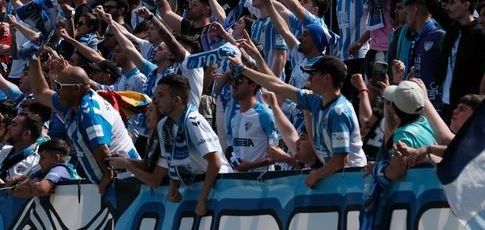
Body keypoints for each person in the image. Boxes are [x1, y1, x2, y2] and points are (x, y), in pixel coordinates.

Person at [237, 55, 367, 188]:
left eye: (313, 74)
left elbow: (340, 160)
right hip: (336, 176)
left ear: (327, 78)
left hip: (353, 181)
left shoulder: (339, 112)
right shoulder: (315, 101)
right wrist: (242, 69)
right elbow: (277, 85)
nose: (309, 79)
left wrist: (317, 174)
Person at [27, 53, 139, 194]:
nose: (57, 90)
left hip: (124, 184)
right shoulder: (74, 100)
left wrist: (107, 176)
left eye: (59, 85)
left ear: (76, 88)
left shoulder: (89, 113)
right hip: (119, 182)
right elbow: (41, 92)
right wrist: (33, 57)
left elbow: (102, 149)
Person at [152, 74, 230, 216]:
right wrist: (173, 187)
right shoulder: (163, 126)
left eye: (161, 96)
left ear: (177, 100)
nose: (156, 101)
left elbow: (215, 163)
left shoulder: (193, 122)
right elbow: (172, 160)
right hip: (197, 183)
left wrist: (202, 201)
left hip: (219, 184)